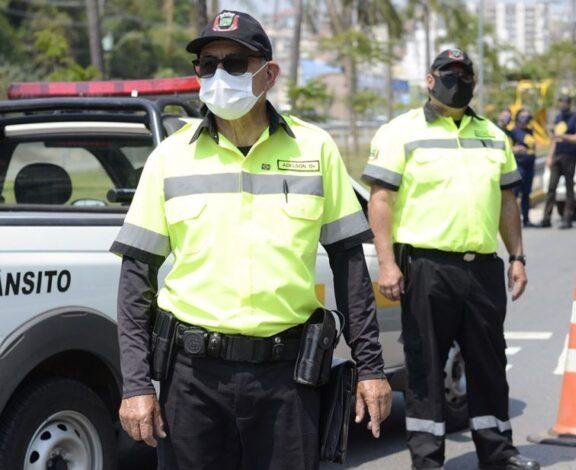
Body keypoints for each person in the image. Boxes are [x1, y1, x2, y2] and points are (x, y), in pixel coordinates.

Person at [111, 10, 391, 470]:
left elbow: (351, 266)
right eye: (208, 64)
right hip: (192, 379)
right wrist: (137, 385)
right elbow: (135, 277)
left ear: (270, 74)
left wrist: (373, 369)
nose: (220, 75)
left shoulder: (315, 148)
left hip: (288, 380)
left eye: (235, 63)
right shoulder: (169, 157)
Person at [362, 48, 539, 470]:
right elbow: (381, 199)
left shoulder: (494, 135)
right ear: (429, 79)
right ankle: (428, 460)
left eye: (464, 74)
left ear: (474, 82)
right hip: (426, 268)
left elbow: (508, 201)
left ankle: (498, 453)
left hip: (481, 267)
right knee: (424, 367)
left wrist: (517, 256)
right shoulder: (399, 131)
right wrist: (387, 264)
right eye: (448, 73)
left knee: (489, 363)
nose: (456, 80)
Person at [541, 96, 576, 229]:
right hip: (557, 156)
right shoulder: (559, 117)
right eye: (561, 103)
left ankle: (567, 218)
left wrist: (564, 136)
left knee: (569, 188)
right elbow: (555, 139)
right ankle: (546, 218)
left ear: (570, 104)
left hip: (570, 156)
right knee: (551, 187)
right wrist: (550, 156)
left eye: (565, 103)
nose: (563, 105)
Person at [507, 109, 537, 227]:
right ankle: (512, 221)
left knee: (526, 194)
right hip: (518, 167)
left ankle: (526, 219)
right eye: (523, 117)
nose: (526, 120)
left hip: (529, 167)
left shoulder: (529, 131)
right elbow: (508, 148)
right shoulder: (513, 132)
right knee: (514, 195)